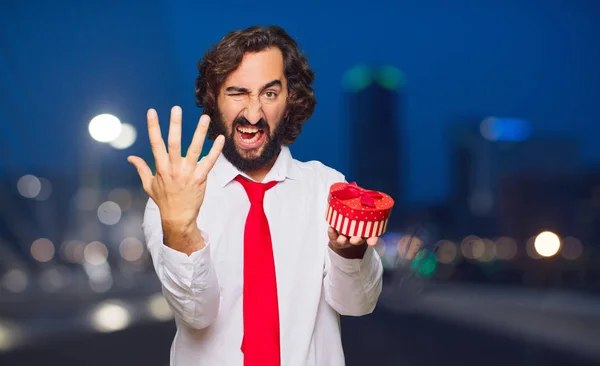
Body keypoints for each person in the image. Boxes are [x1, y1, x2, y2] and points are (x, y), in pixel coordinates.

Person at [128, 25, 384, 366]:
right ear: (214, 99)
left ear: (290, 97)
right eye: (237, 92)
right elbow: (196, 314)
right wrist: (179, 228)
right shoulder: (174, 195)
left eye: (269, 93)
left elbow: (358, 304)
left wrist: (348, 250)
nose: (253, 113)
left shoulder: (327, 188)